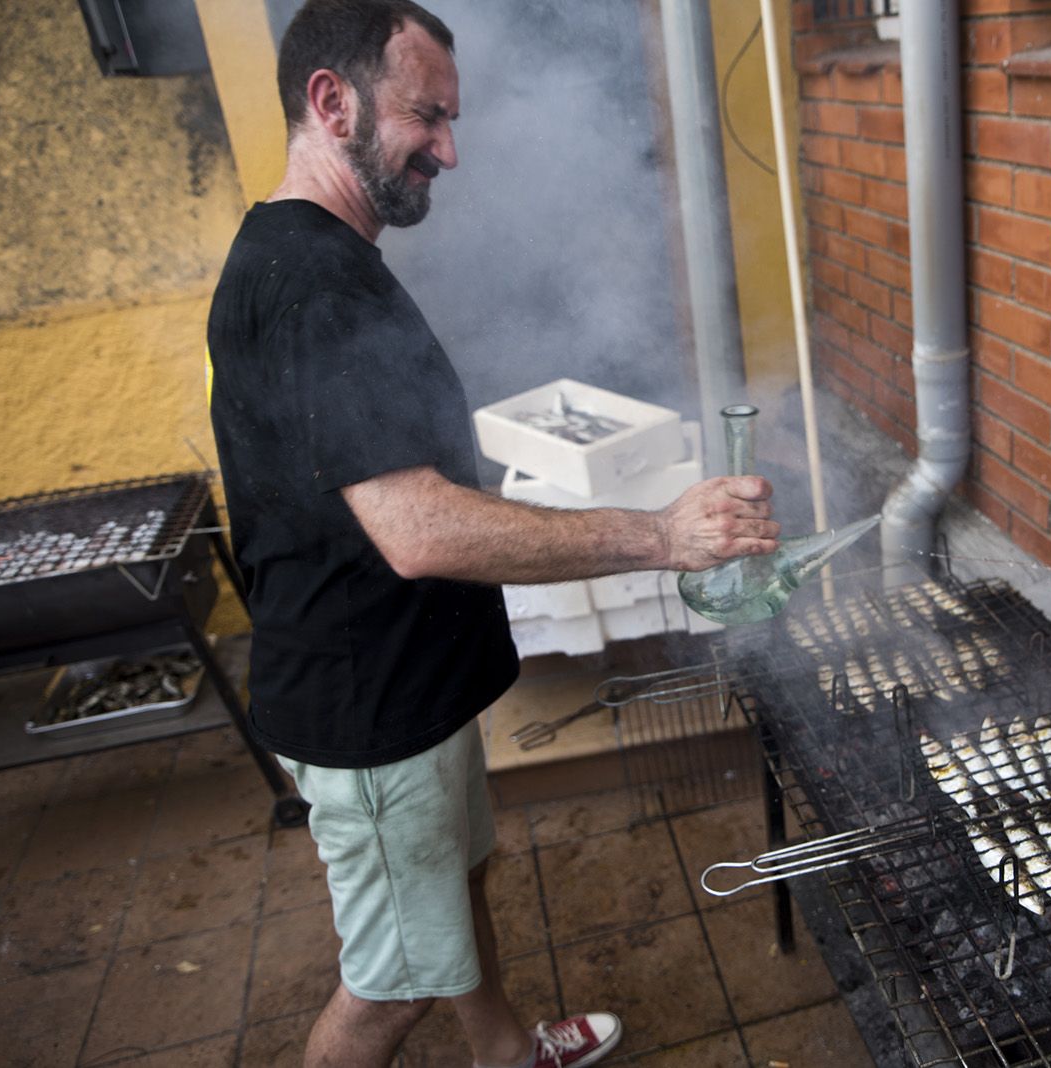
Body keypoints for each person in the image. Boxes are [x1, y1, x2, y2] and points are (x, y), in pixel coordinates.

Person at [205, 2, 779, 1066]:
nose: (449, 150)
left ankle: (507, 1053)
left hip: (408, 690)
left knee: (458, 888)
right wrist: (657, 533)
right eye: (426, 116)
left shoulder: (315, 256)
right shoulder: (308, 286)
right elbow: (415, 529)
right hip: (366, 714)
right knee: (386, 989)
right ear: (331, 102)